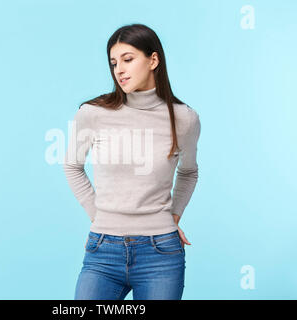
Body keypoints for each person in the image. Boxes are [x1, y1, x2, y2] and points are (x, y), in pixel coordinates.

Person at [63, 23, 201, 300]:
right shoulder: (92, 113)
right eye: (114, 63)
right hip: (102, 250)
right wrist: (99, 214)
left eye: (128, 59)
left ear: (153, 60)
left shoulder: (184, 118)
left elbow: (189, 172)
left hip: (161, 253)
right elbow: (72, 165)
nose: (119, 70)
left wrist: (173, 216)